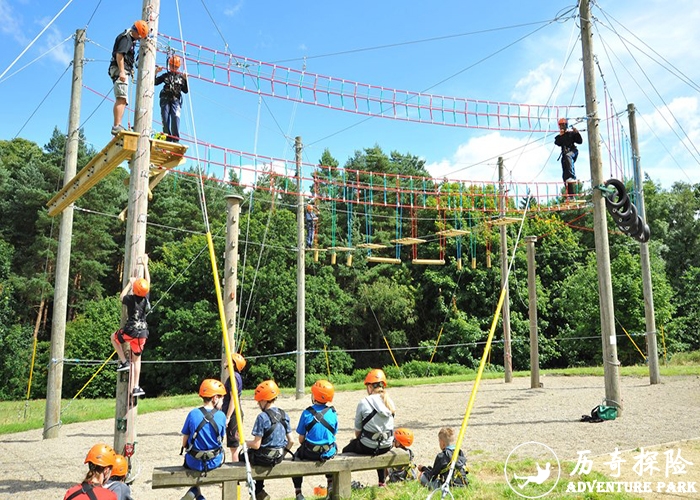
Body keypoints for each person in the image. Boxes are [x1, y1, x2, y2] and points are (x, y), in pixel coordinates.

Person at [342, 368, 395, 487]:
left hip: (368, 446)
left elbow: (357, 432)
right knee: (378, 443)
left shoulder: (363, 402)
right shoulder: (390, 402)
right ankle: (381, 482)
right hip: (386, 446)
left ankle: (345, 484)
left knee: (345, 450)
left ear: (370, 387)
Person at [243, 379, 295, 500]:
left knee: (244, 457)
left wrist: (244, 442)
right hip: (278, 456)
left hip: (264, 457)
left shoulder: (262, 417)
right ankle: (259, 492)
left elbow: (256, 444)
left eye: (259, 401)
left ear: (265, 400)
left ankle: (258, 492)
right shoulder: (284, 414)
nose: (258, 404)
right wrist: (282, 454)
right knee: (257, 456)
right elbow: (291, 441)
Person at [180, 379, 227, 500]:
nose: (223, 401)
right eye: (221, 398)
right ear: (215, 398)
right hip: (214, 461)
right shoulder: (221, 416)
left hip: (194, 462)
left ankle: (195, 491)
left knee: (190, 460)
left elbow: (184, 443)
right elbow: (221, 439)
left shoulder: (192, 414)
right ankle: (198, 495)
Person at [291, 379, 338, 500]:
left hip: (310, 452)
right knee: (333, 447)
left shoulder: (307, 413)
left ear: (314, 395)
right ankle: (330, 483)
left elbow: (301, 439)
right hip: (327, 452)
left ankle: (298, 493)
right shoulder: (332, 412)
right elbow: (333, 434)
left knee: (295, 458)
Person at [111, 254, 150, 398]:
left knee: (114, 338)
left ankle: (123, 361)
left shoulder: (131, 299)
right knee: (137, 360)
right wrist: (145, 265)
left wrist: (129, 282)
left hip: (130, 330)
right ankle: (135, 387)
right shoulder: (146, 299)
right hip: (142, 334)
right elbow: (148, 282)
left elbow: (121, 296)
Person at [109, 20, 149, 136]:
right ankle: (116, 126)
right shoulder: (126, 39)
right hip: (120, 70)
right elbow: (119, 54)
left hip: (121, 70)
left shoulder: (129, 38)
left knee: (123, 99)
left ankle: (117, 125)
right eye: (139, 36)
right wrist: (122, 71)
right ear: (136, 32)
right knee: (121, 98)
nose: (139, 39)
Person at [154, 55, 189, 143]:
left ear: (178, 67)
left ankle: (175, 138)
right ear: (169, 65)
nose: (173, 68)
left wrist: (185, 80)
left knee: (175, 117)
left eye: (175, 67)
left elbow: (185, 90)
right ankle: (167, 136)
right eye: (172, 66)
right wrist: (155, 72)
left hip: (175, 100)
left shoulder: (181, 78)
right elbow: (155, 82)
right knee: (165, 118)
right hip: (165, 98)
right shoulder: (165, 75)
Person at [222, 352, 246, 462]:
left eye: (229, 359)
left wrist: (228, 417)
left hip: (233, 414)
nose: (226, 360)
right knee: (233, 447)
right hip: (233, 413)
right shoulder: (233, 377)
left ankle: (235, 472)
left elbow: (234, 398)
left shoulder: (233, 378)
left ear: (233, 364)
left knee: (234, 448)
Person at [554, 117, 583, 197]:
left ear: (566, 125)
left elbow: (580, 141)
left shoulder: (571, 134)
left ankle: (572, 176)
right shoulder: (560, 136)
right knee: (565, 175)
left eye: (563, 125)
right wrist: (561, 135)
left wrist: (577, 133)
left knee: (568, 156)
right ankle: (571, 195)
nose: (562, 127)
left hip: (573, 152)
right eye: (560, 126)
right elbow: (557, 142)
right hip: (565, 155)